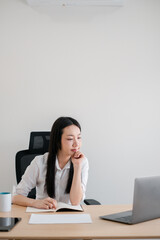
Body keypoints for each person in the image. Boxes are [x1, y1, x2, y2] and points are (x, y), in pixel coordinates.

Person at [12, 117, 89, 209]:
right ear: (57, 141)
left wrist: (77, 167)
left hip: (69, 216)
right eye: (70, 139)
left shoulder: (82, 162)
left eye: (79, 137)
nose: (76, 144)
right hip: (43, 215)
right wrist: (35, 203)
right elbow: (15, 197)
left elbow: (75, 202)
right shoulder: (39, 162)